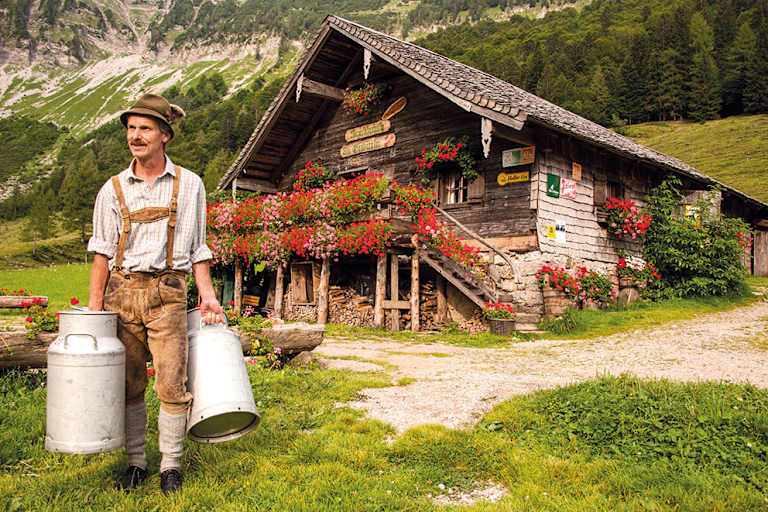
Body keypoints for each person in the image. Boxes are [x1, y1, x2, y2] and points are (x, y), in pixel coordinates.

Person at [87, 93, 225, 495]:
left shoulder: (190, 184)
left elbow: (198, 248)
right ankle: (135, 463)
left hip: (168, 293)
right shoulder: (112, 189)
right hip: (122, 293)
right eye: (131, 128)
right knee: (130, 385)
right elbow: (100, 252)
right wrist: (95, 309)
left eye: (144, 128)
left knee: (171, 385)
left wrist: (208, 296)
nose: (135, 135)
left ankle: (171, 466)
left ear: (165, 134)